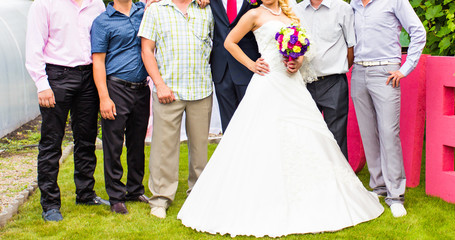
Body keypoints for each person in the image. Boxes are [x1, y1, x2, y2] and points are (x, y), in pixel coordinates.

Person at [177, 0, 384, 237]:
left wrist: (297, 61)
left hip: (292, 84)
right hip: (268, 83)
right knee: (262, 137)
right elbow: (229, 42)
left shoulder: (292, 13)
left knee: (308, 136)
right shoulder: (253, 14)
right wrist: (252, 64)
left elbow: (305, 48)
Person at [25, 0, 109, 222]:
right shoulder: (44, 4)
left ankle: (85, 194)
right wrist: (42, 84)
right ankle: (50, 205)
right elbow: (34, 47)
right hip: (57, 77)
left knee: (87, 139)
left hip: (88, 77)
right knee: (51, 143)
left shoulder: (97, 4)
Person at [349, 0, 426, 217]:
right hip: (358, 72)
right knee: (368, 134)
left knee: (389, 133)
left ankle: (396, 196)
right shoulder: (353, 4)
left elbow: (418, 32)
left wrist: (405, 68)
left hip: (386, 73)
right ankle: (379, 188)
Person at [138, 0, 213, 219]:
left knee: (200, 148)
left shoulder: (205, 8)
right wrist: (159, 84)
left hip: (201, 88)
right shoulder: (155, 10)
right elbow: (147, 50)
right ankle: (161, 198)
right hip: (168, 90)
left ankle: (198, 194)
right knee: (164, 147)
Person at [90, 0, 151, 215]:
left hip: (142, 89)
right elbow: (98, 61)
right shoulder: (102, 21)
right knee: (113, 144)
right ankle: (116, 195)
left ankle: (135, 189)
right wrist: (104, 97)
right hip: (116, 88)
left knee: (137, 142)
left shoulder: (143, 12)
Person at [293, 0, 355, 159]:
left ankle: (340, 181)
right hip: (303, 83)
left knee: (336, 136)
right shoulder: (297, 10)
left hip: (333, 82)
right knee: (306, 134)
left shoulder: (343, 9)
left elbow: (351, 47)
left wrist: (338, 69)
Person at [210, 0, 261, 132]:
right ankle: (229, 152)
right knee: (228, 124)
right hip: (221, 68)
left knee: (252, 119)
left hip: (249, 67)